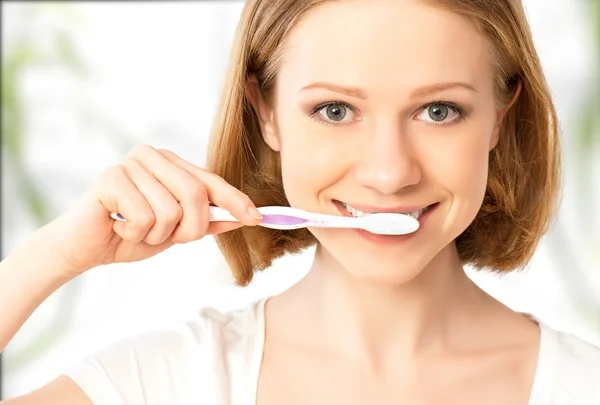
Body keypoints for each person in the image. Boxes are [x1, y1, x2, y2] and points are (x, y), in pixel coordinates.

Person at [1, 0, 599, 403]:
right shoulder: (163, 383)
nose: (389, 174)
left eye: (438, 111)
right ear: (266, 114)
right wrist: (51, 257)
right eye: (335, 111)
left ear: (500, 116)